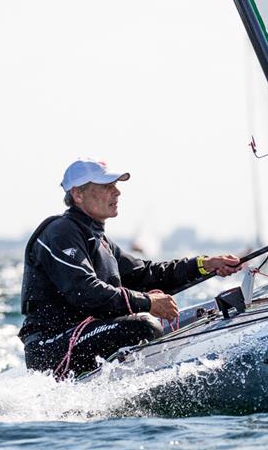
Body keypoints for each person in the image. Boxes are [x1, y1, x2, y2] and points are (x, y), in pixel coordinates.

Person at [19, 158, 243, 379]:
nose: (117, 192)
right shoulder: (60, 232)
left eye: (116, 185)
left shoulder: (98, 239)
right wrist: (147, 303)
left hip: (85, 335)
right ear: (78, 194)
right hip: (49, 348)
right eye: (107, 186)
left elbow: (148, 275)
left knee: (156, 321)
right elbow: (85, 292)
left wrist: (204, 265)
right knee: (143, 325)